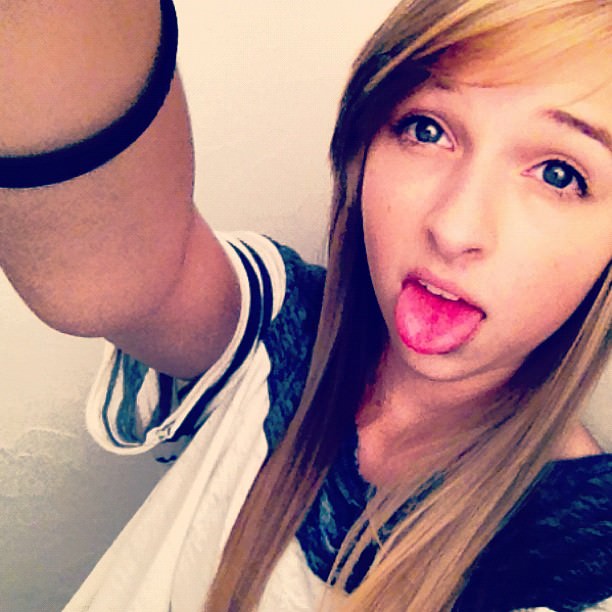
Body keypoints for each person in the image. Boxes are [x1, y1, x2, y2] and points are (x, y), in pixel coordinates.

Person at [0, 0, 610, 610]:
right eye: (427, 129)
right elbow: (95, 280)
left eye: (558, 173)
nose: (454, 228)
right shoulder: (277, 327)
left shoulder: (582, 561)